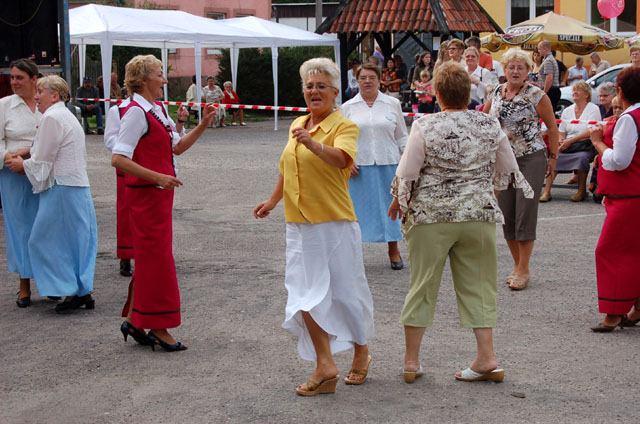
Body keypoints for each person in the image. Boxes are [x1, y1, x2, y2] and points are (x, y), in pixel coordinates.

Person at [389, 61, 532, 384]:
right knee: (479, 285)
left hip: (431, 216)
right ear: (469, 92)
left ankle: (412, 361)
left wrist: (398, 199)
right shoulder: (488, 124)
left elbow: (408, 172)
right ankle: (486, 357)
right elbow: (507, 167)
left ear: (437, 93)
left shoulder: (425, 125)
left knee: (422, 284)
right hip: (477, 215)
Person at [254, 58, 374, 396]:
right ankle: (325, 364)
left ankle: (361, 348)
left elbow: (342, 160)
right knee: (302, 295)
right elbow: (286, 167)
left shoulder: (344, 126)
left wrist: (313, 144)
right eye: (309, 86)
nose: (314, 91)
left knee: (346, 293)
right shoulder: (299, 124)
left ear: (336, 92)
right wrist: (273, 200)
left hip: (334, 223)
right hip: (299, 226)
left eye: (321, 86)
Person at [112, 55, 216, 351]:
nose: (165, 79)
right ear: (144, 79)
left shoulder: (156, 109)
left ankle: (136, 318)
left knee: (152, 259)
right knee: (156, 260)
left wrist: (203, 124)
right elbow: (118, 158)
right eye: (160, 74)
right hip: (146, 197)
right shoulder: (134, 112)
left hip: (158, 195)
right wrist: (158, 176)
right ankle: (158, 325)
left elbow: (177, 147)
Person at [6, 75, 98, 314]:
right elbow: (48, 148)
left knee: (44, 240)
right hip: (76, 185)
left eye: (40, 92)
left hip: (61, 187)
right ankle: (81, 289)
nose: (36, 96)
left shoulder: (51, 117)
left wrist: (21, 165)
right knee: (77, 239)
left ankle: (69, 288)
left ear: (54, 95)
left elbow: (43, 159)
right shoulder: (65, 115)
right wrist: (29, 153)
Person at [485, 48, 560, 291]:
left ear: (528, 71)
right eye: (511, 67)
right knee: (507, 213)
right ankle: (519, 266)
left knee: (525, 212)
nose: (515, 71)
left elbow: (552, 127)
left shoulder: (537, 95)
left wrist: (553, 158)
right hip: (503, 160)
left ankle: (523, 268)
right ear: (504, 70)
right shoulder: (496, 91)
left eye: (520, 67)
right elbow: (486, 121)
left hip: (531, 158)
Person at [104, 91, 190, 278]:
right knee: (126, 212)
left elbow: (171, 138)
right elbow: (111, 140)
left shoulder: (158, 108)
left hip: (151, 170)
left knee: (154, 219)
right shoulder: (118, 110)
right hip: (130, 168)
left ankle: (152, 258)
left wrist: (181, 123)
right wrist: (135, 148)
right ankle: (126, 256)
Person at [342, 62, 408, 270]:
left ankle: (393, 250)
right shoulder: (347, 107)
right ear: (357, 81)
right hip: (359, 167)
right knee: (357, 211)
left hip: (388, 163)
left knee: (391, 209)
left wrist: (408, 162)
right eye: (363, 78)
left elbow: (402, 136)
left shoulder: (392, 104)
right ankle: (354, 255)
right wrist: (347, 160)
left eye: (372, 77)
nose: (367, 81)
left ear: (379, 80)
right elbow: (341, 139)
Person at [589, 67, 640, 331]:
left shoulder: (630, 119)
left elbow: (619, 161)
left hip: (629, 196)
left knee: (610, 252)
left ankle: (614, 312)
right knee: (635, 252)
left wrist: (598, 143)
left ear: (620, 92)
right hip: (634, 195)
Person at [0, 59, 41, 308]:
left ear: (33, 79)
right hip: (13, 175)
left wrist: (30, 154)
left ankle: (49, 282)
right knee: (20, 229)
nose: (14, 82)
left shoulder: (44, 103)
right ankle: (24, 284)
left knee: (44, 227)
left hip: (41, 172)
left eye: (19, 78)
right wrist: (7, 157)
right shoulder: (4, 105)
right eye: (12, 77)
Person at [540, 81, 601, 202]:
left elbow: (591, 130)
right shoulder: (567, 110)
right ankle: (547, 191)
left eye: (578, 90)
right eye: (574, 90)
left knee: (582, 158)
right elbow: (561, 131)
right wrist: (561, 140)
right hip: (567, 143)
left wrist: (571, 141)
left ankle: (581, 190)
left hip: (585, 144)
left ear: (586, 95)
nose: (574, 92)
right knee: (555, 156)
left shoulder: (594, 109)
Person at [537, 41, 561, 110]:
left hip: (551, 90)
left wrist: (544, 93)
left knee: (548, 112)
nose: (539, 51)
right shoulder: (549, 59)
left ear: (545, 49)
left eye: (539, 49)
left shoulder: (548, 60)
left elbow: (549, 78)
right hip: (552, 89)